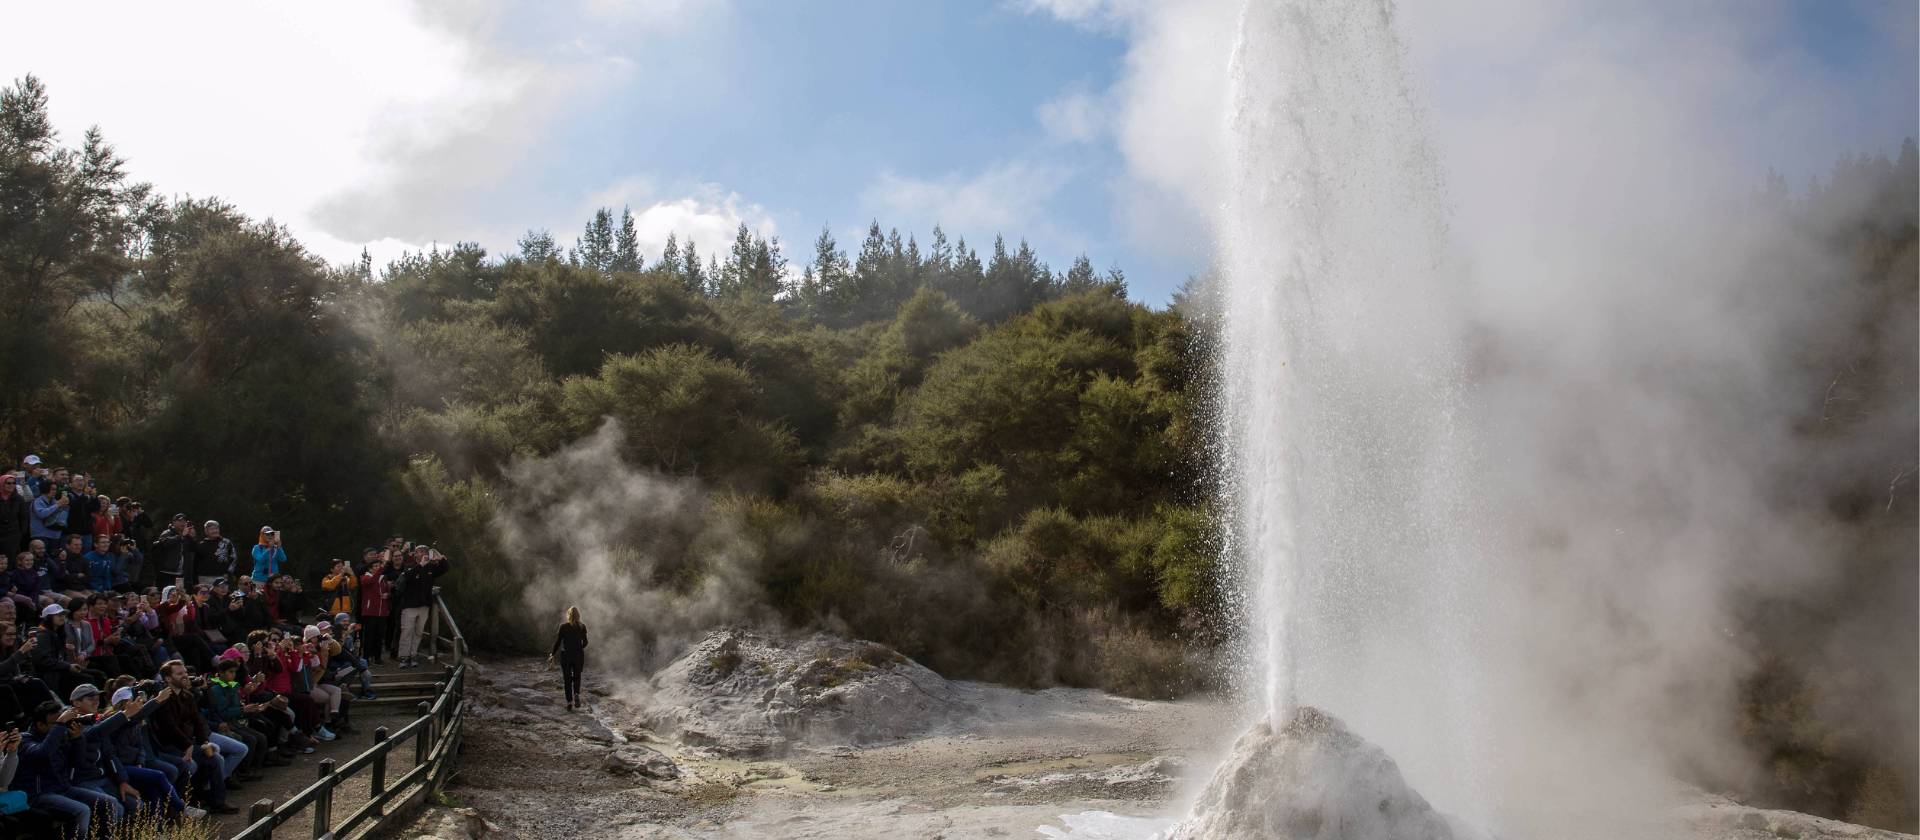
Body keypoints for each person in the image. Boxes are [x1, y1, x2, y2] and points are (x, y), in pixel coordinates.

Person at [16, 700, 123, 837]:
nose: (62, 725)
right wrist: (60, 724)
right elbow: (42, 753)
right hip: (39, 794)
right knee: (82, 811)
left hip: (63, 788)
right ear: (40, 725)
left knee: (109, 803)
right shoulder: (25, 740)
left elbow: (78, 763)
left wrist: (77, 739)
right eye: (55, 723)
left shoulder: (60, 736)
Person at [393, 547, 449, 669]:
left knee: (418, 632)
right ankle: (403, 657)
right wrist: (421, 565)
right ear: (415, 554)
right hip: (409, 606)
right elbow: (407, 578)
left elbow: (445, 568)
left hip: (424, 606)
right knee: (407, 632)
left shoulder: (431, 568)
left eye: (424, 551)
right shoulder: (409, 566)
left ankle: (413, 656)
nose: (422, 553)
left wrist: (441, 558)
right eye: (420, 551)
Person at [549, 606, 589, 711]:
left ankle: (569, 702)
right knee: (577, 676)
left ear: (568, 615)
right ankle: (576, 693)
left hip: (566, 655)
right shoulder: (582, 626)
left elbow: (558, 642)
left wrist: (552, 654)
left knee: (567, 679)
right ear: (578, 615)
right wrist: (579, 648)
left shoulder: (563, 627)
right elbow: (585, 642)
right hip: (578, 655)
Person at [357, 552, 392, 664]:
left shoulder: (383, 578)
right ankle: (366, 657)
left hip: (382, 612)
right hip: (370, 611)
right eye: (375, 566)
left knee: (379, 635)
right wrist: (382, 568)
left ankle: (377, 657)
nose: (378, 568)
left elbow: (386, 590)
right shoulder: (365, 577)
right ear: (370, 569)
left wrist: (387, 594)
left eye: (378, 566)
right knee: (369, 636)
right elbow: (371, 582)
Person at [150, 515, 195, 591]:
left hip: (180, 574)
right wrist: (181, 536)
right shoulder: (167, 532)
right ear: (173, 522)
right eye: (180, 521)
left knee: (179, 595)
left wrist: (193, 537)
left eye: (184, 521)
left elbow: (193, 549)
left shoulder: (186, 536)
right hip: (166, 573)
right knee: (165, 593)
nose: (183, 523)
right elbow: (165, 543)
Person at [194, 521, 240, 586]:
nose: (215, 531)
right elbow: (195, 562)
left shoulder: (226, 542)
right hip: (204, 578)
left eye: (216, 528)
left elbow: (234, 557)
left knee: (222, 595)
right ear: (206, 531)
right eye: (212, 529)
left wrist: (229, 572)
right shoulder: (201, 545)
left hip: (222, 577)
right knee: (206, 596)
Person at [27, 481, 65, 547]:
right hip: (41, 535)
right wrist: (57, 505)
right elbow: (41, 514)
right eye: (52, 489)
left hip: (54, 534)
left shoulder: (54, 501)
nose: (54, 491)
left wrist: (63, 506)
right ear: (45, 489)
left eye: (55, 489)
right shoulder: (38, 501)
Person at [0, 472, 29, 556]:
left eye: (14, 483)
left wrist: (21, 533)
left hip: (13, 534)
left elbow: (23, 517)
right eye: (8, 483)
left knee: (10, 558)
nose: (11, 485)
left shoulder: (18, 499)